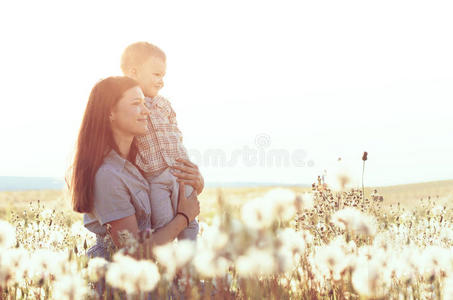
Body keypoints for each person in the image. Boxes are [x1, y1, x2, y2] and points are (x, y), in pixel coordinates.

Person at [69, 76, 201, 259]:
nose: (146, 111)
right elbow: (133, 252)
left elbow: (170, 197)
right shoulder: (108, 175)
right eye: (136, 103)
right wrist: (184, 218)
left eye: (145, 103)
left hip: (151, 274)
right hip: (118, 279)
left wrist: (196, 183)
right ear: (110, 112)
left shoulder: (145, 161)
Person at [120, 42, 202, 240]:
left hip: (181, 171)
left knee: (190, 224)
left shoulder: (164, 104)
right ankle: (169, 265)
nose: (161, 81)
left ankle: (188, 267)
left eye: (163, 76)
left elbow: (176, 132)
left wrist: (189, 165)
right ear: (133, 73)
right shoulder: (129, 107)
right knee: (164, 223)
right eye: (156, 75)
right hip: (155, 178)